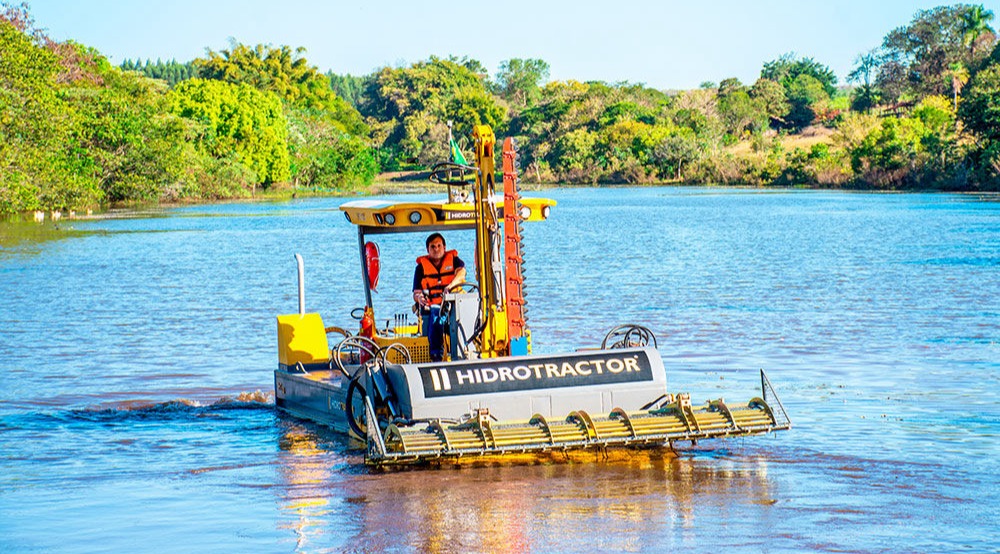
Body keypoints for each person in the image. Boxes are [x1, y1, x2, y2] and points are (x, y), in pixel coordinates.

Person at [413, 233, 466, 361]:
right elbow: (416, 293)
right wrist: (419, 298)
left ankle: (466, 350)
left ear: (444, 247)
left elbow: (462, 274)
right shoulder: (420, 268)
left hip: (454, 301)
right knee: (436, 315)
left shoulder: (454, 260)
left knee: (467, 311)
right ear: (428, 249)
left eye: (439, 246)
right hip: (434, 305)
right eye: (433, 247)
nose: (436, 249)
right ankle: (436, 355)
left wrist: (451, 286)